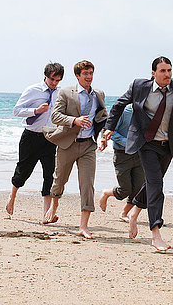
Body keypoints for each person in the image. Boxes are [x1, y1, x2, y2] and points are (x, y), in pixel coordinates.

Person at [102, 56, 173, 251]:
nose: (167, 74)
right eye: (163, 71)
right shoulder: (139, 86)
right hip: (146, 142)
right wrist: (109, 128)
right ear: (153, 73)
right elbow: (118, 105)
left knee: (152, 183)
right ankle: (155, 232)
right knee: (156, 185)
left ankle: (134, 212)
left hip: (169, 144)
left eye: (169, 70)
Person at [43, 60, 108, 239]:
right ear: (77, 76)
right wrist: (75, 120)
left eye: (91, 73)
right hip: (68, 144)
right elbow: (55, 116)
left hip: (88, 145)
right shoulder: (65, 93)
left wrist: (103, 137)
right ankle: (54, 204)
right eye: (85, 73)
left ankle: (84, 226)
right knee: (59, 180)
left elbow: (102, 119)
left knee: (87, 184)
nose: (89, 77)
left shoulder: (99, 94)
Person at [5, 63, 64, 219]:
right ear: (45, 76)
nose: (54, 83)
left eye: (57, 80)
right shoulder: (33, 90)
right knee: (23, 171)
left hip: (50, 137)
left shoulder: (61, 93)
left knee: (49, 174)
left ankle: (46, 213)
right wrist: (35, 111)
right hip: (30, 137)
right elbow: (16, 110)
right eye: (52, 79)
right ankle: (12, 197)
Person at [98, 105, 145, 222]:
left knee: (138, 188)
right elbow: (111, 132)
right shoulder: (123, 111)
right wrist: (129, 143)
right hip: (122, 154)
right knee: (125, 189)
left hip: (140, 154)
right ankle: (106, 193)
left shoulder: (148, 111)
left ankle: (124, 213)